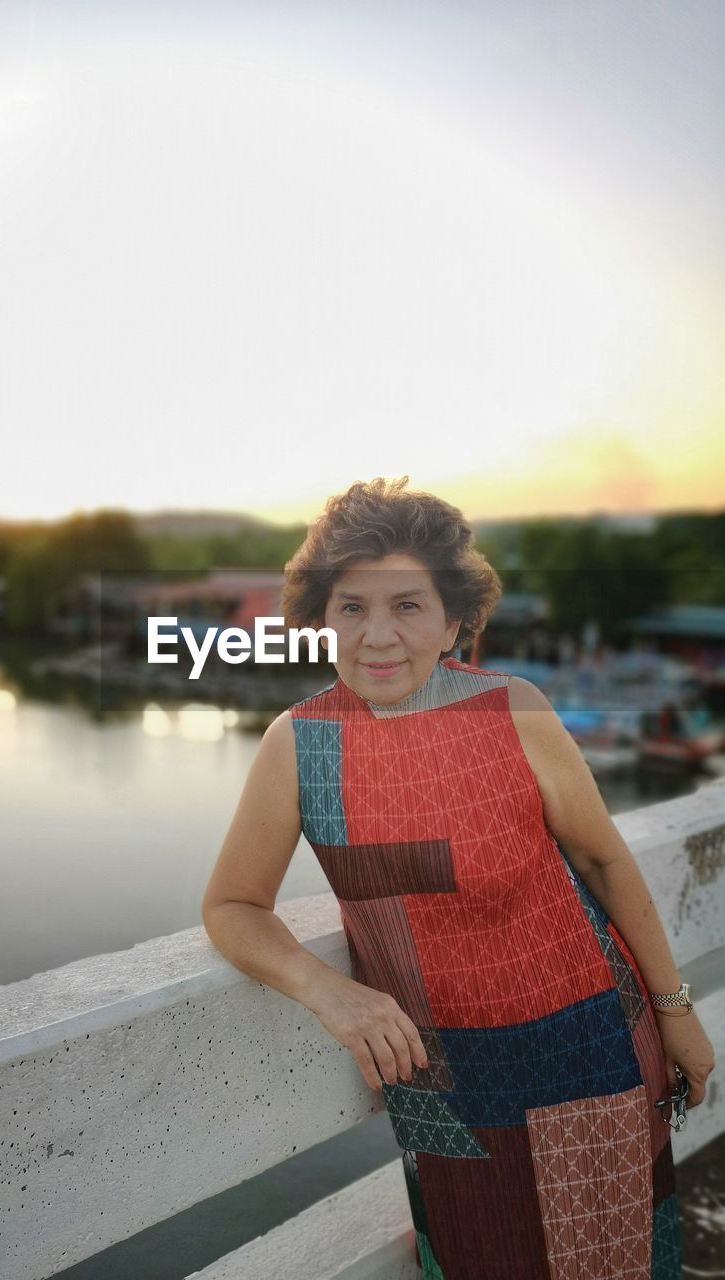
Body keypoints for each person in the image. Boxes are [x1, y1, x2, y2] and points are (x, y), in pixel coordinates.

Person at [201, 476, 715, 1279]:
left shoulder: (515, 708)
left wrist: (676, 1011)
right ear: (319, 620)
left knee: (619, 1263)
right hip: (447, 1091)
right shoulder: (296, 746)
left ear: (452, 621)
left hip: (594, 1049)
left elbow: (604, 862)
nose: (378, 636)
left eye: (407, 606)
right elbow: (233, 907)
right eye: (352, 607)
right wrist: (331, 991)